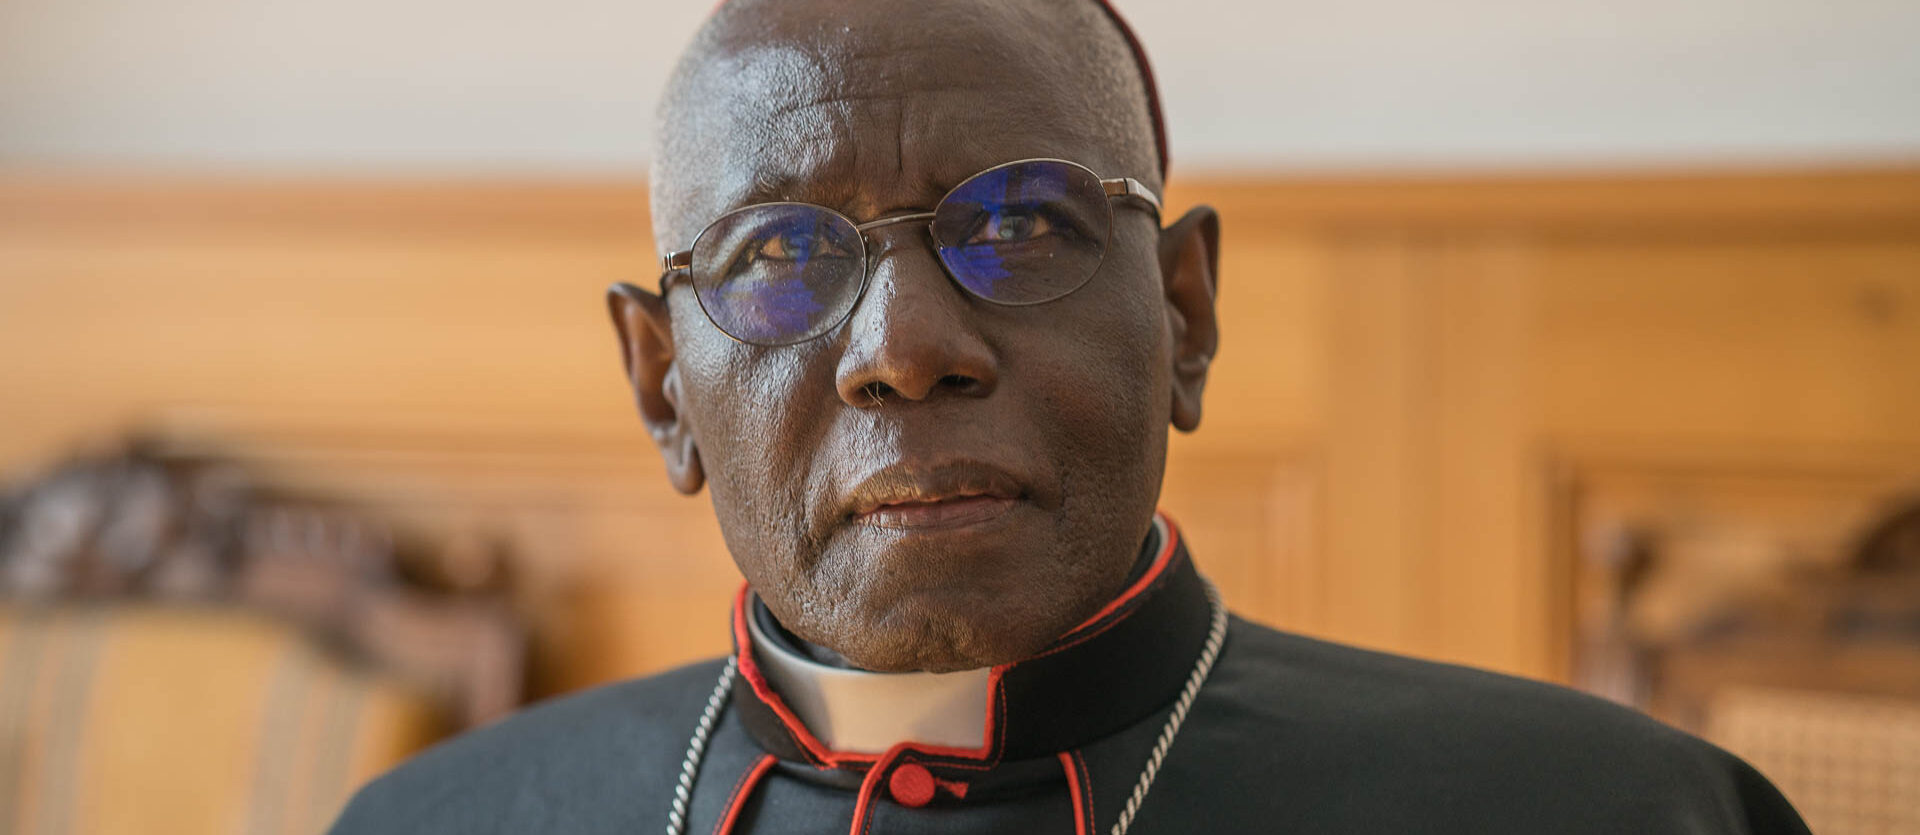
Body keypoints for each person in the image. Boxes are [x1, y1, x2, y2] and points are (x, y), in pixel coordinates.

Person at [329, 1, 1810, 832]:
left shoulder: (1612, 822)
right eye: (780, 256)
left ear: (1184, 314)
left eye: (1023, 226)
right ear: (663, 387)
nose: (905, 353)